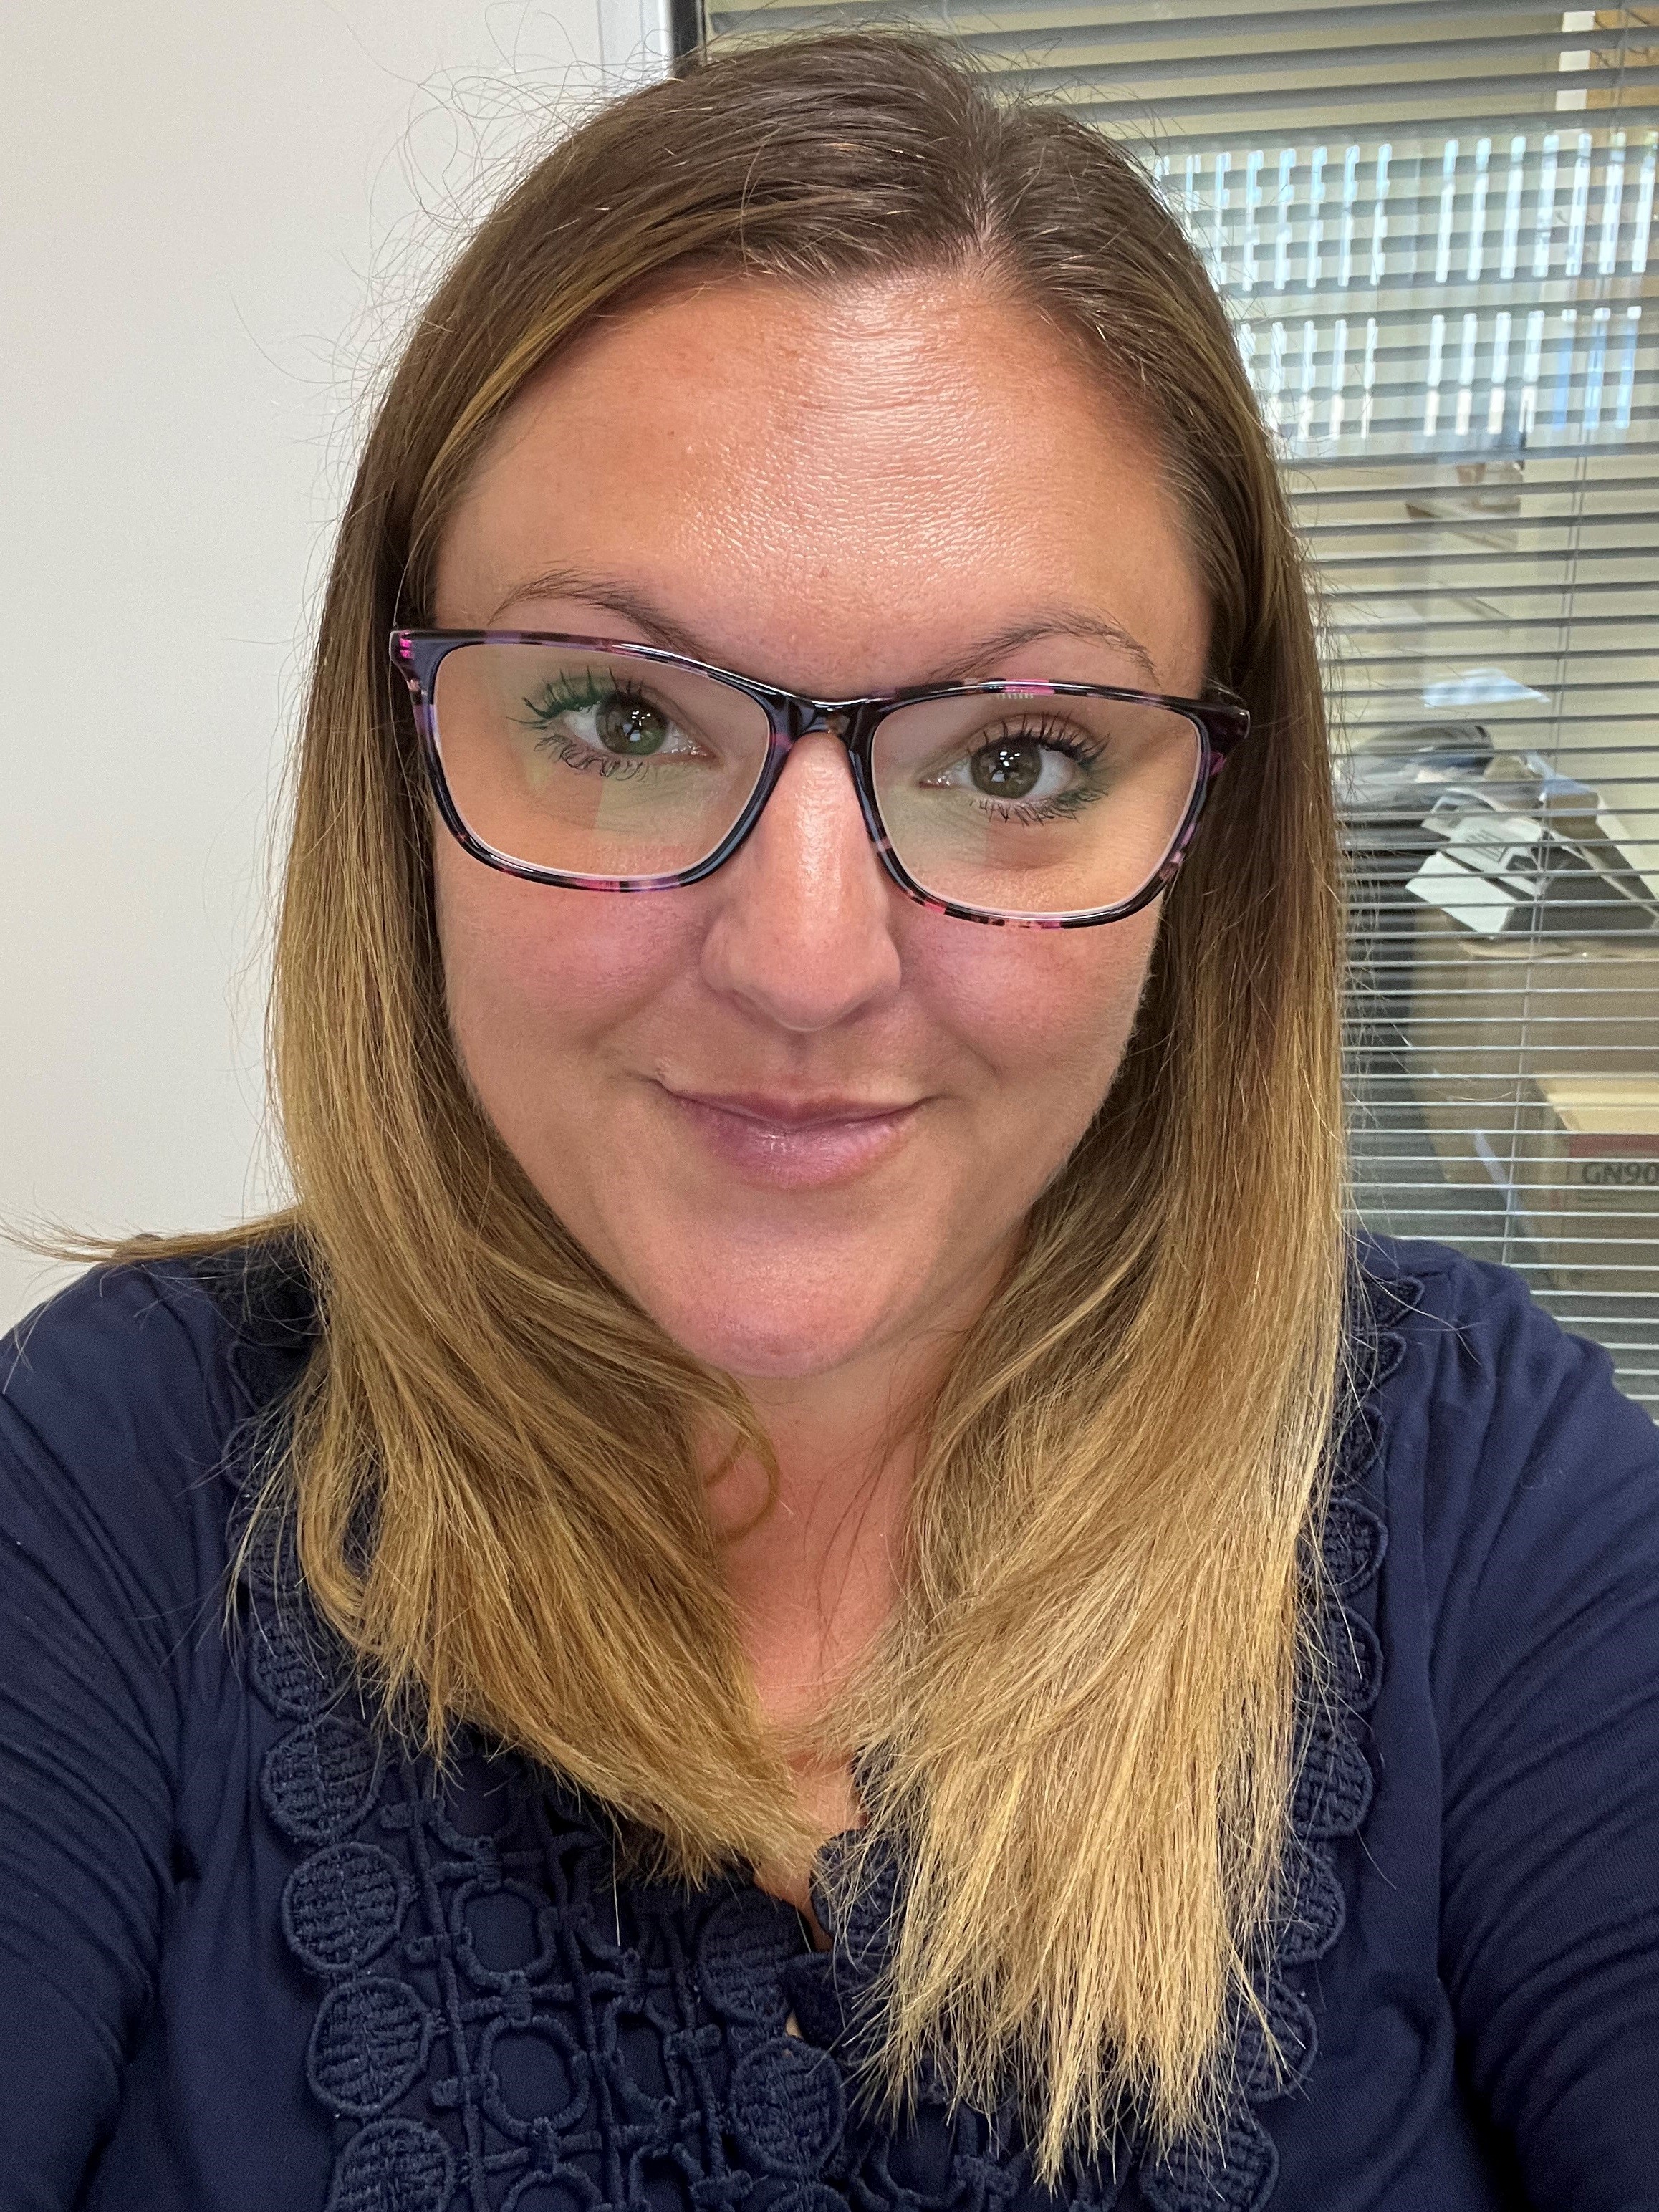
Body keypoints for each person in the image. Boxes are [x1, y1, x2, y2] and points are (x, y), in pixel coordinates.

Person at [2, 27, 1656, 2212]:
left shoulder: (1481, 1501)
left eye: (1019, 758)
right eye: (615, 717)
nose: (800, 965)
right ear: (403, 764)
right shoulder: (122, 1485)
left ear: (1205, 837)